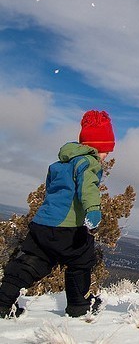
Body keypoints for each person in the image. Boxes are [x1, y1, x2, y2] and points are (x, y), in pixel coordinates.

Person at [0, 110, 115, 318]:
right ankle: (79, 306)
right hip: (68, 228)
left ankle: (3, 301)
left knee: (33, 261)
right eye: (107, 149)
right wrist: (93, 211)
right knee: (81, 261)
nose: (107, 155)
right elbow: (88, 188)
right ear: (96, 146)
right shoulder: (88, 163)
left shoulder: (60, 164)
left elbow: (51, 190)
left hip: (42, 224)